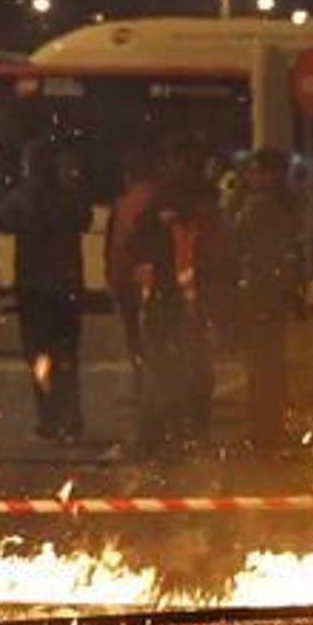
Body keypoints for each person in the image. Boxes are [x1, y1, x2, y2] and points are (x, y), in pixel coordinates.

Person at [128, 139, 227, 458]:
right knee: (194, 367)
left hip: (167, 298)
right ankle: (194, 432)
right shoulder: (208, 205)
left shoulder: (161, 205)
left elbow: (136, 245)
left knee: (162, 367)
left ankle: (158, 435)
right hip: (196, 298)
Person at [0, 139, 92, 440]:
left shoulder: (23, 197)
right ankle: (71, 418)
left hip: (34, 288)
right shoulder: (70, 197)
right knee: (67, 355)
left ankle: (50, 419)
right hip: (67, 285)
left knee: (38, 354)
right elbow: (85, 217)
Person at [231, 148, 303, 452]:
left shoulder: (258, 208)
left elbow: (236, 240)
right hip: (274, 293)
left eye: (257, 171)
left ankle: (263, 430)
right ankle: (272, 427)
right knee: (271, 363)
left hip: (257, 293)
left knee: (259, 365)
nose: (251, 176)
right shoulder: (287, 205)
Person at [105, 145, 162, 393]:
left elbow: (113, 244)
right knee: (157, 334)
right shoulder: (162, 199)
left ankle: (142, 379)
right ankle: (159, 380)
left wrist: (111, 276)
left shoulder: (121, 204)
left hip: (124, 278)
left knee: (134, 336)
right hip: (154, 278)